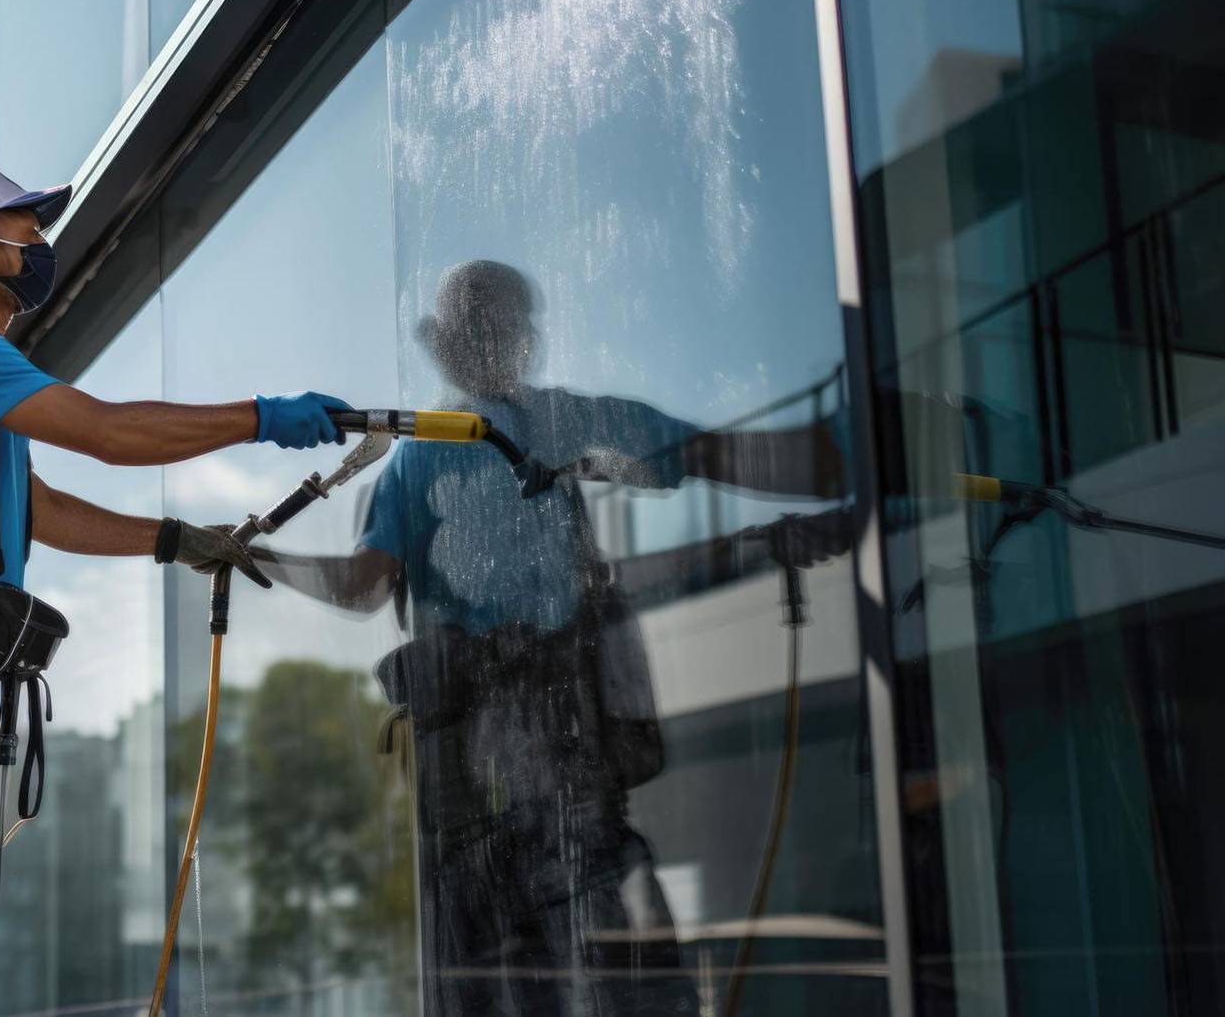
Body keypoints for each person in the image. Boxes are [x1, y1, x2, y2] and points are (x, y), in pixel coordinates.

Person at [0, 159, 349, 1014]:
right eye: (26, 227)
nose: (41, 242)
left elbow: (39, 509)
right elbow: (105, 430)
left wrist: (173, 541)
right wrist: (262, 418)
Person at [256, 260, 843, 1015]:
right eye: (469, 328)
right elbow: (364, 586)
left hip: (565, 772)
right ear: (447, 344)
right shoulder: (421, 453)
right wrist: (255, 557)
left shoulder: (560, 424)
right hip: (481, 793)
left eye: (498, 324)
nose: (484, 341)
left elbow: (706, 457)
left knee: (627, 979)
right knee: (538, 981)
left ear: (521, 337)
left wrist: (837, 473)